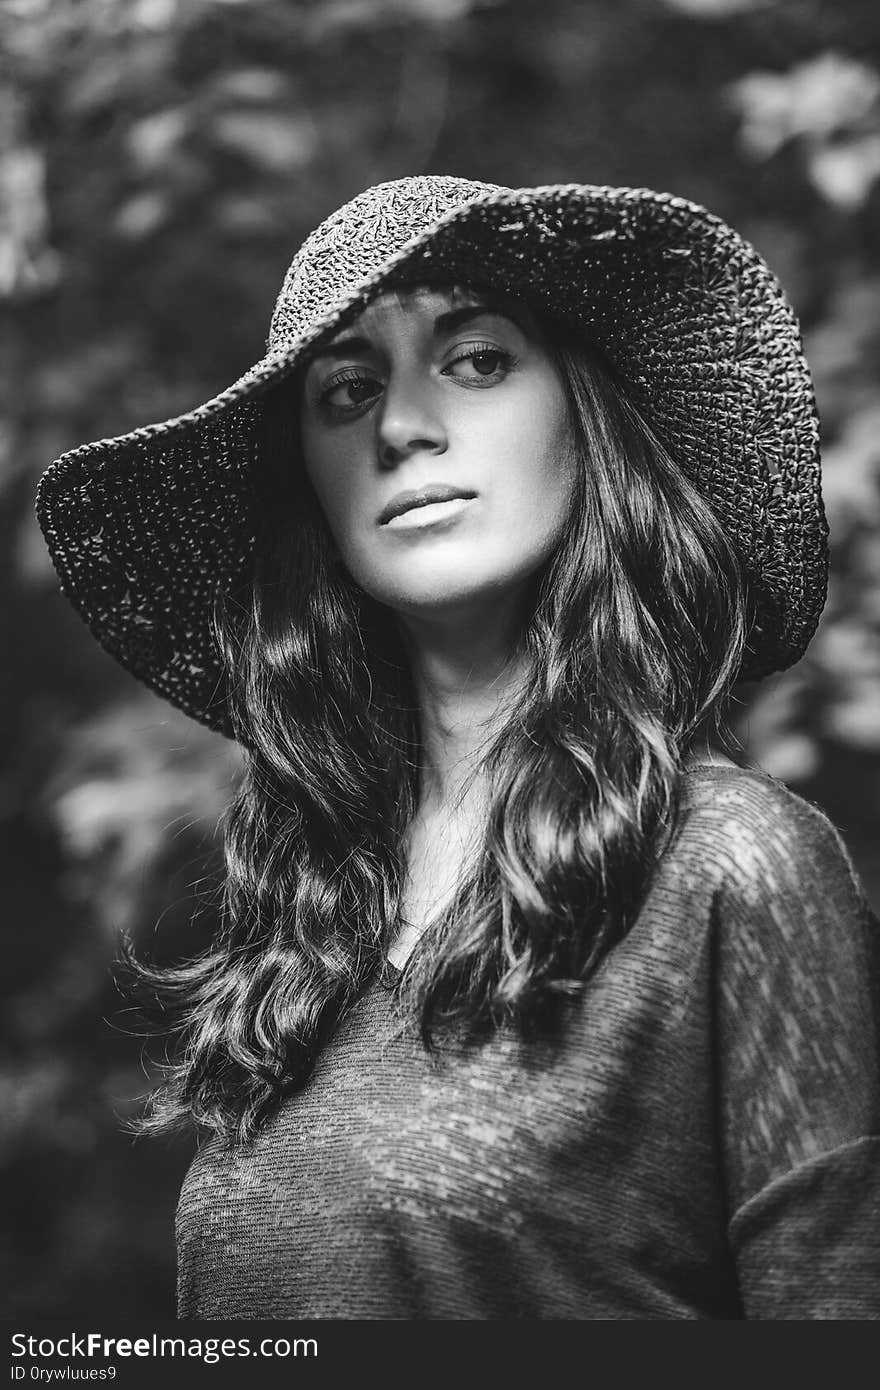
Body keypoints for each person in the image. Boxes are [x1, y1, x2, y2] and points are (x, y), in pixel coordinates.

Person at [36, 175, 880, 1320]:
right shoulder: (308, 929)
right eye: (345, 390)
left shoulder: (736, 867)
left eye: (476, 360)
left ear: (585, 419)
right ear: (313, 494)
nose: (401, 425)